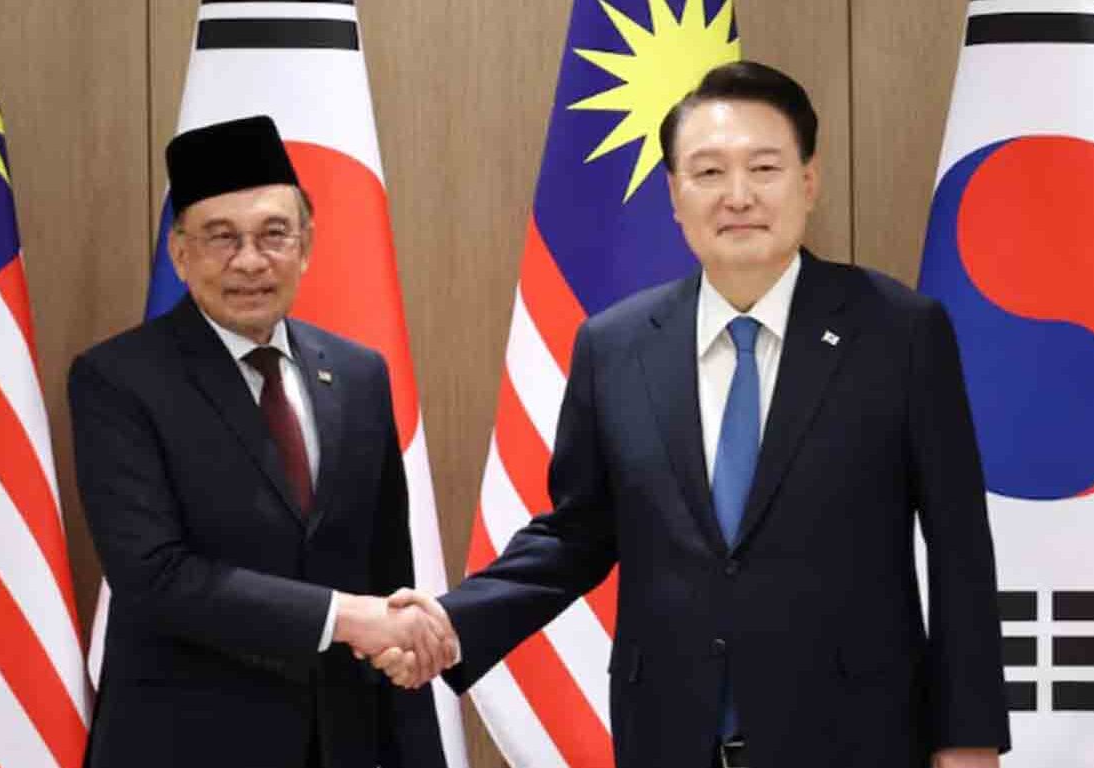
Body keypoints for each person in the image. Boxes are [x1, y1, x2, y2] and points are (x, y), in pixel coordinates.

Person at [382, 61, 1011, 768]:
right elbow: (576, 536)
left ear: (809, 183)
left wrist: (969, 740)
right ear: (675, 197)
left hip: (853, 735)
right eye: (708, 173)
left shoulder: (899, 333)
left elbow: (961, 552)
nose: (737, 196)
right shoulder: (614, 346)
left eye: (764, 168)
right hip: (669, 735)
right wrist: (450, 620)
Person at [69, 115, 455, 768]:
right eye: (221, 238)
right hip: (182, 745)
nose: (249, 260)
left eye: (274, 235)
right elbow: (154, 576)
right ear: (180, 254)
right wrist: (343, 618)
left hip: (341, 745)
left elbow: (387, 578)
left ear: (305, 246)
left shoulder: (360, 375)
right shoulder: (118, 380)